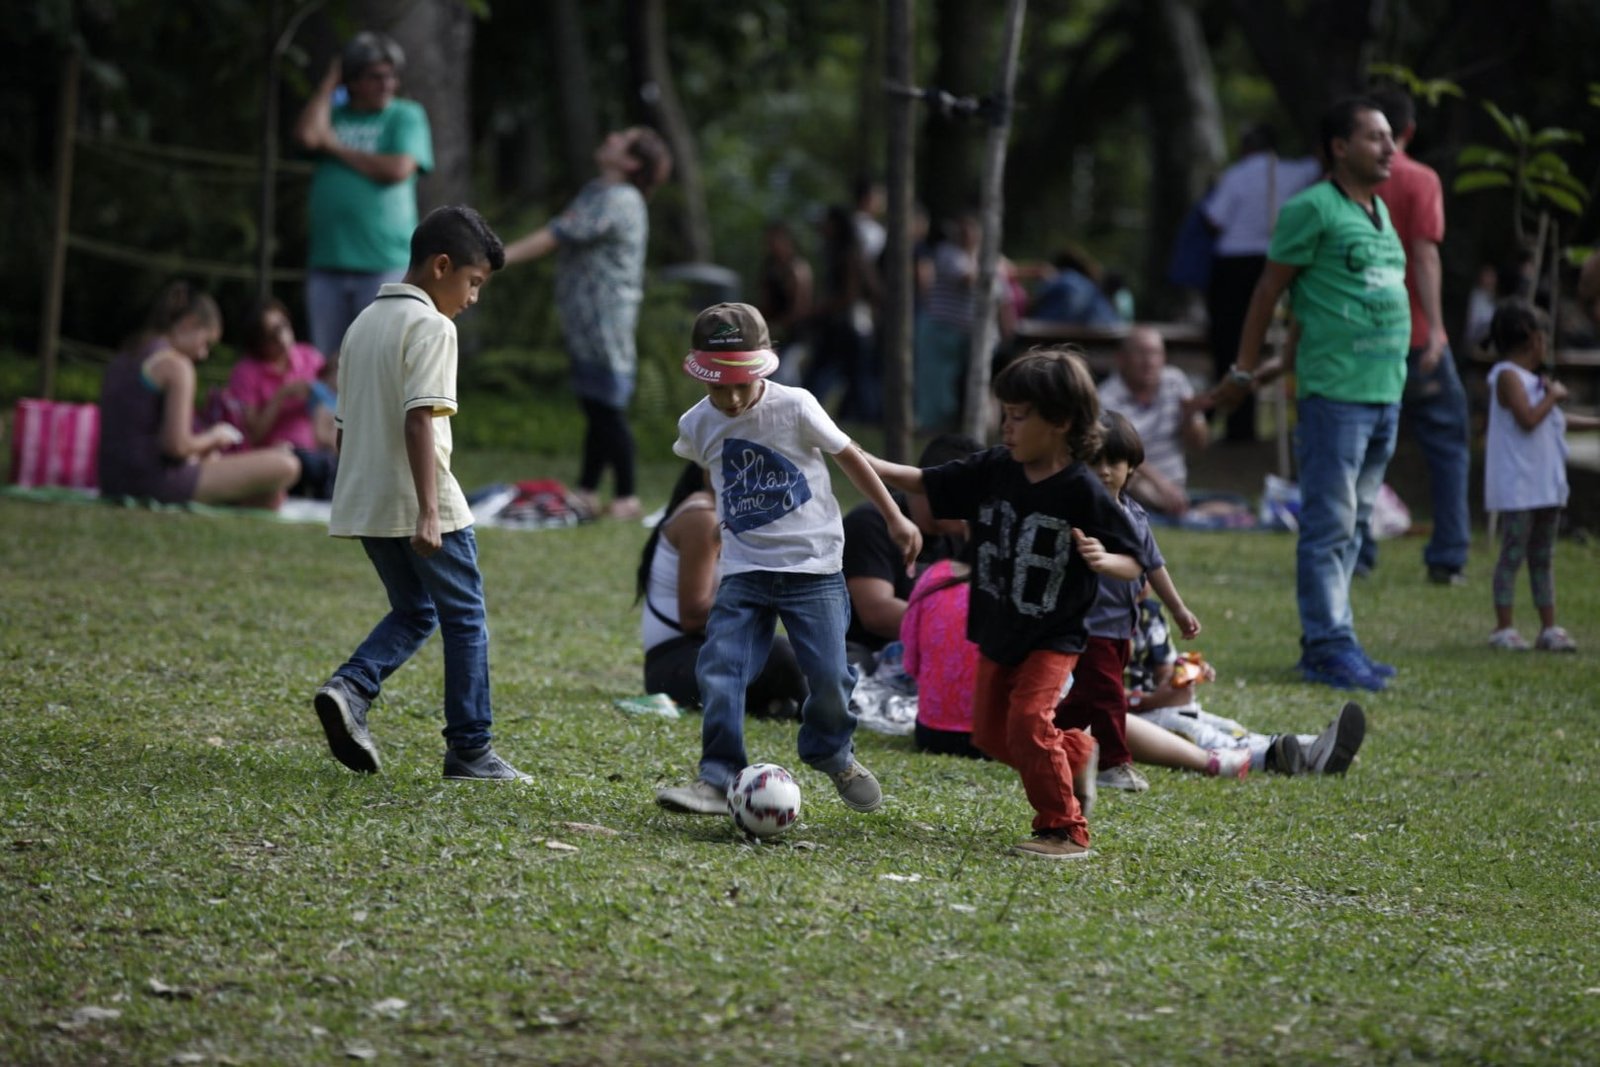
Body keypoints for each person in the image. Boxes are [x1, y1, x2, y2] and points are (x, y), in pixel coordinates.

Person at [868, 347, 1148, 861]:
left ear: (1061, 422)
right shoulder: (997, 468)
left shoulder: (1082, 490)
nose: (1007, 427)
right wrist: (857, 457)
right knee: (995, 737)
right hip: (998, 629)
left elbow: (1135, 559)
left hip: (1052, 635)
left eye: (1020, 417)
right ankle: (1077, 752)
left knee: (1026, 722)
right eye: (1005, 415)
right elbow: (928, 481)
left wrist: (1106, 561)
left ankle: (1065, 830)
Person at [655, 303, 921, 818]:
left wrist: (895, 517)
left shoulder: (796, 406)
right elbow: (717, 469)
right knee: (720, 670)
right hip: (745, 572)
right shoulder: (696, 423)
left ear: (765, 365)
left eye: (742, 385)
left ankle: (830, 750)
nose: (731, 399)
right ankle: (717, 776)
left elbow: (851, 458)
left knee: (829, 678)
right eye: (718, 387)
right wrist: (721, 519)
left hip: (813, 570)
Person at [312, 205, 529, 782]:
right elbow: (418, 423)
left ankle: (350, 688)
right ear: (441, 267)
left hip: (367, 499)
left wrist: (354, 494)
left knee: (415, 610)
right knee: (465, 618)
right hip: (422, 501)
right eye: (474, 283)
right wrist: (430, 512)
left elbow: (341, 426)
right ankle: (471, 750)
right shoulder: (432, 326)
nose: (473, 297)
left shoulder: (362, 325)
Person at [1215, 98, 1410, 693]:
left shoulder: (1381, 211)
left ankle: (1337, 637)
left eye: (1390, 138)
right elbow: (1267, 292)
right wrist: (1245, 371)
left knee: (1355, 526)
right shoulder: (1311, 210)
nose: (1389, 148)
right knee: (1328, 524)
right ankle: (1326, 646)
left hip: (1385, 393)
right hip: (1335, 393)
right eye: (1375, 137)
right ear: (1338, 147)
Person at [502, 127, 674, 521]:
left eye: (622, 140)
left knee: (608, 406)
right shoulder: (599, 190)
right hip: (586, 317)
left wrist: (497, 258)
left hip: (605, 318)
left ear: (631, 163)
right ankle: (589, 490)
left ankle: (627, 497)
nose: (610, 138)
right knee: (595, 402)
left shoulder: (619, 198)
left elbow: (555, 236)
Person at [1356, 88, 1471, 586]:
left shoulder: (1348, 182)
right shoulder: (1419, 179)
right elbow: (1424, 254)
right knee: (1446, 442)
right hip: (1415, 335)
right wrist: (1438, 328)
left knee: (1359, 447)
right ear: (1409, 130)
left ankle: (1356, 553)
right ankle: (1447, 555)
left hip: (1359, 338)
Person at [1054, 411, 1201, 793]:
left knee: (1089, 696)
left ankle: (1044, 735)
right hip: (1087, 623)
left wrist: (1179, 608)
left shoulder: (1135, 515)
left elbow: (1154, 565)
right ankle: (1115, 762)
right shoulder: (1075, 513)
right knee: (1107, 693)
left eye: (1113, 462)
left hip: (1123, 624)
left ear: (1131, 466)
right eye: (1094, 461)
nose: (1104, 471)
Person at [294, 31, 434, 373]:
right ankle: (330, 428)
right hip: (328, 261)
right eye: (375, 76)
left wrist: (335, 147)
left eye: (392, 76)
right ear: (353, 80)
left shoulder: (405, 115)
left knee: (379, 364)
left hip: (383, 262)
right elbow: (308, 136)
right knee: (328, 365)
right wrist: (329, 85)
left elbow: (399, 168)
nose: (387, 84)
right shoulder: (335, 114)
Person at [97, 281, 301, 508]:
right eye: (205, 343)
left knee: (269, 495)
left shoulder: (125, 358)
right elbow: (176, 446)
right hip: (156, 482)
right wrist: (214, 437)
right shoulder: (176, 366)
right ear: (189, 324)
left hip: (112, 482)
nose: (203, 354)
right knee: (287, 464)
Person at [636, 461, 806, 717]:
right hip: (675, 664)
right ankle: (823, 714)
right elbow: (692, 616)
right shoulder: (702, 517)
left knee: (811, 648)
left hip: (713, 650)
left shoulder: (736, 513)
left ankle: (787, 705)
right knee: (782, 654)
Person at [1124, 597, 1364, 777]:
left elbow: (1163, 672)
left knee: (1232, 729)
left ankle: (1311, 746)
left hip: (1164, 706)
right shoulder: (1100, 619)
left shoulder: (1148, 613)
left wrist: (1182, 674)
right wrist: (1153, 700)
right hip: (1135, 717)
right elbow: (1100, 695)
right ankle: (1272, 757)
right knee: (1202, 736)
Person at [1483, 301, 1599, 652]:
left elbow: (1555, 419)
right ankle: (1503, 628)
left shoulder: (1534, 381)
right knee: (1513, 552)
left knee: (1543, 556)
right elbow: (1528, 418)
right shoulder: (1506, 375)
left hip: (1544, 486)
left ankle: (1548, 627)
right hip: (1520, 487)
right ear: (1534, 339)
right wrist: (1553, 395)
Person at [1204, 123, 1322, 442]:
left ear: (1245, 148)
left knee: (1230, 342)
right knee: (1259, 340)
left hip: (1233, 263)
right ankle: (1241, 422)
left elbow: (1214, 219)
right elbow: (1317, 164)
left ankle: (1234, 424)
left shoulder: (1236, 175)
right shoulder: (1294, 172)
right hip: (1274, 259)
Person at [842, 432, 981, 667]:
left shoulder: (959, 535)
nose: (976, 508)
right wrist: (958, 627)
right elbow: (876, 613)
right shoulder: (871, 524)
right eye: (971, 497)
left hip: (926, 652)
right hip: (864, 654)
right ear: (939, 486)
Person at [226, 299, 338, 499]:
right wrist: (280, 396)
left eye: (282, 326)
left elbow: (336, 402)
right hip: (277, 456)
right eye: (270, 336)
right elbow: (253, 435)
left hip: (319, 453)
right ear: (258, 343)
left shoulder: (310, 357)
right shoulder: (246, 372)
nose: (281, 338)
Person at [913, 212, 1014, 431]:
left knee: (970, 384)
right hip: (942, 330)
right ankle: (932, 425)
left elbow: (1004, 296)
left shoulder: (989, 259)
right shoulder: (947, 254)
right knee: (937, 384)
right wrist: (995, 270)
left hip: (972, 336)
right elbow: (968, 278)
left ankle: (963, 424)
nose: (968, 235)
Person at [1096, 326, 1210, 518]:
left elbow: (1199, 444)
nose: (1149, 362)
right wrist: (1161, 485)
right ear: (1121, 359)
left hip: (1175, 483)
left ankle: (1180, 509)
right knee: (1128, 474)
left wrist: (1190, 417)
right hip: (1134, 481)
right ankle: (1180, 511)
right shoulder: (1106, 398)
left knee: (1234, 504)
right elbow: (1122, 454)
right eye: (1141, 354)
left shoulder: (1175, 381)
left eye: (1155, 353)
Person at [803, 205, 879, 420]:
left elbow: (850, 295)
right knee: (855, 377)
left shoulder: (848, 255)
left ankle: (865, 418)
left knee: (851, 377)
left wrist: (821, 308)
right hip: (842, 325)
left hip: (846, 326)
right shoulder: (838, 252)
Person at [755, 220, 814, 384]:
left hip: (796, 334)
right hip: (772, 334)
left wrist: (781, 325)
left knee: (787, 375)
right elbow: (765, 301)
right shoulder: (769, 267)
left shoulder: (797, 267)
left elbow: (801, 306)